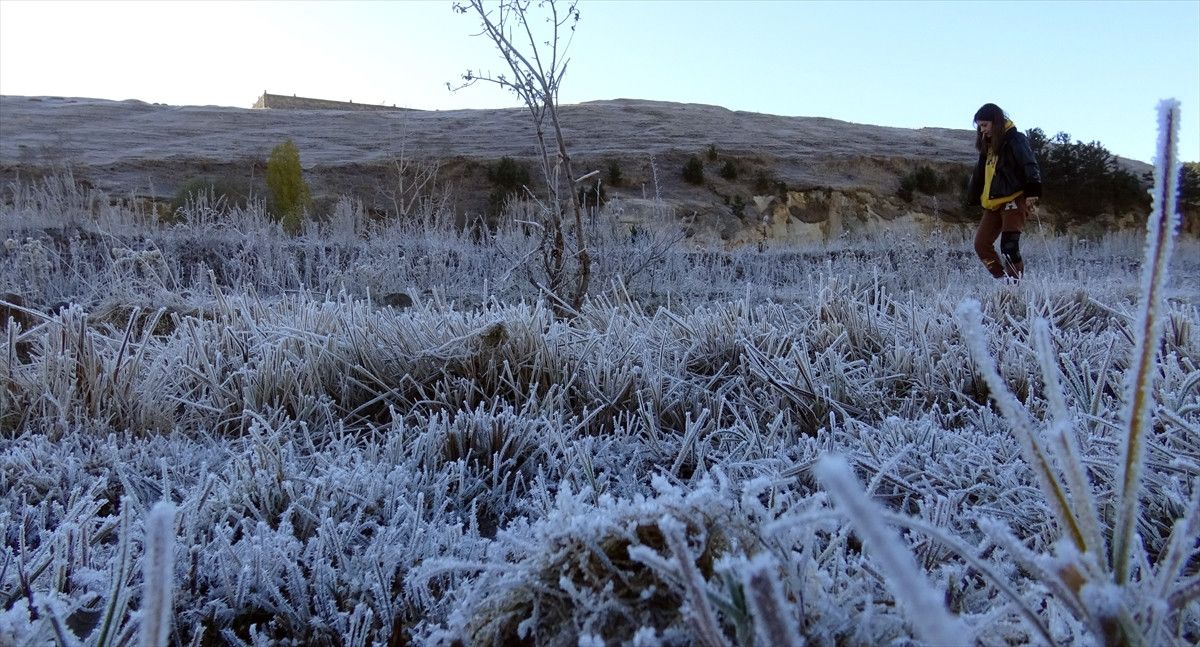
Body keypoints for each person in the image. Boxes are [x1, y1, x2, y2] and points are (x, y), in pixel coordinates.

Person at [966, 103, 1042, 279]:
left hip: (1014, 199)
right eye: (979, 126)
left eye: (985, 125)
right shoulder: (988, 146)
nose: (982, 130)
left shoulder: (1016, 139)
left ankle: (1016, 288)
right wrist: (973, 197)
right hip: (993, 203)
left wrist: (1032, 191)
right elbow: (981, 174)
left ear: (996, 122)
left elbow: (1030, 164)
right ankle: (1002, 280)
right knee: (981, 245)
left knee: (1009, 246)